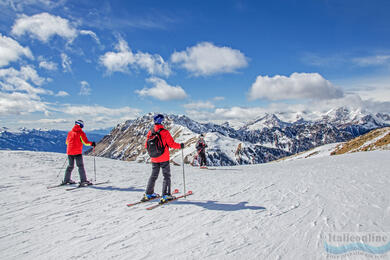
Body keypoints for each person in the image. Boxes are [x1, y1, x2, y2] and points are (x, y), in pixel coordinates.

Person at [142, 114, 184, 203]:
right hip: (164, 158)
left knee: (153, 176)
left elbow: (146, 145)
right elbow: (172, 144)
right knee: (166, 176)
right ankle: (166, 195)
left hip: (154, 158)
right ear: (162, 121)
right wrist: (180, 146)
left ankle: (148, 194)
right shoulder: (164, 132)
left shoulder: (150, 132)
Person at [63, 120, 96, 186]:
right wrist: (92, 143)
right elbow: (85, 142)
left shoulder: (70, 133)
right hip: (77, 152)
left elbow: (67, 142)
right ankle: (83, 181)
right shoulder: (81, 133)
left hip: (69, 152)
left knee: (70, 166)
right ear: (81, 125)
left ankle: (66, 180)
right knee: (80, 166)